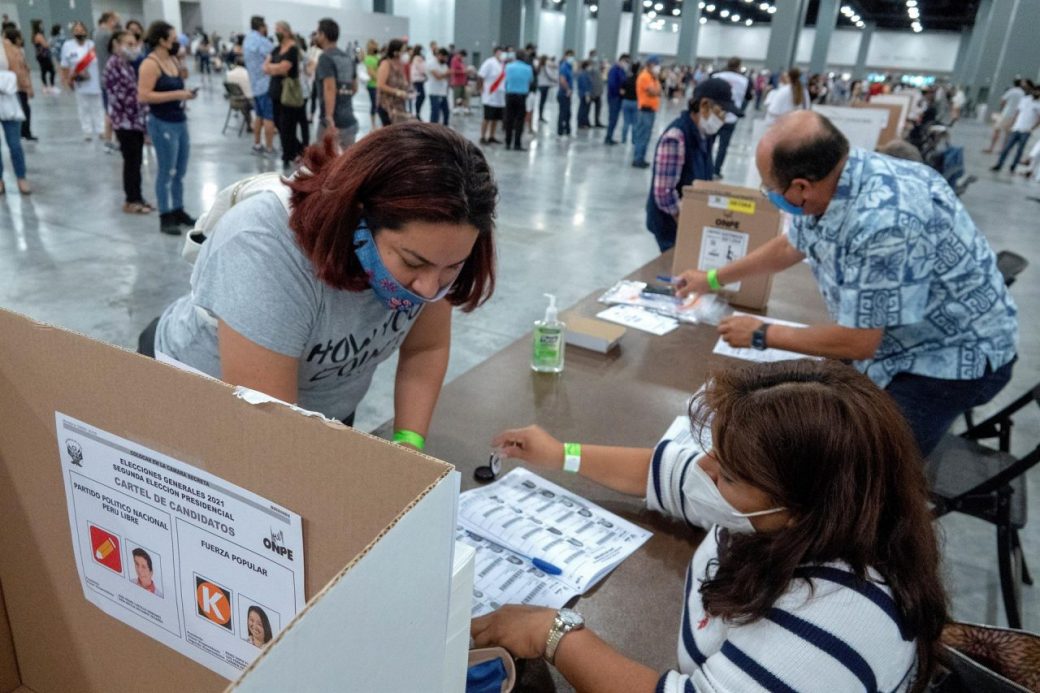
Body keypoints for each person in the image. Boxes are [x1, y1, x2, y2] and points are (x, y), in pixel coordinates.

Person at [475, 359, 949, 693]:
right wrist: (562, 455)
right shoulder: (793, 507)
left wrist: (553, 633)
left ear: (801, 502)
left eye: (728, 472)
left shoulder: (842, 617)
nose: (704, 467)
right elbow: (663, 472)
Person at [675, 111, 1019, 456]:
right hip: (896, 341)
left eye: (770, 189)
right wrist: (712, 278)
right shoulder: (838, 178)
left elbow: (859, 342)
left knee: (869, 466)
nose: (769, 194)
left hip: (950, 359)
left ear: (801, 188)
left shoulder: (885, 222)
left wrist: (761, 333)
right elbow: (790, 244)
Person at [147, 123, 498, 437]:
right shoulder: (264, 244)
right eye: (412, 262)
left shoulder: (439, 248)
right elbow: (270, 428)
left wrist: (408, 446)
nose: (428, 288)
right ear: (360, 217)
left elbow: (426, 349)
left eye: (453, 267)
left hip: (321, 416)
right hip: (204, 405)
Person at [646, 79, 737, 252]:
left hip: (691, 218)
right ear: (704, 105)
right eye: (722, 111)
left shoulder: (704, 133)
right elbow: (663, 194)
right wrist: (687, 225)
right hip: (671, 224)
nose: (723, 119)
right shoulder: (676, 137)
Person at [138, 21, 197, 236]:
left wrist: (185, 89)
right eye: (173, 39)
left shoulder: (172, 59)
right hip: (162, 122)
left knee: (180, 170)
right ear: (162, 40)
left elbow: (178, 83)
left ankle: (178, 209)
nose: (176, 42)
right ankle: (165, 214)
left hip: (179, 121)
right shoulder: (150, 64)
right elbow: (143, 95)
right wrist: (177, 95)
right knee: (166, 171)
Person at [103, 30, 152, 214]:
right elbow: (124, 96)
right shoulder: (114, 66)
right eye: (129, 44)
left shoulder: (127, 64)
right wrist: (147, 99)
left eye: (135, 44)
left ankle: (138, 197)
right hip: (124, 122)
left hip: (135, 121)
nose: (134, 48)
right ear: (117, 44)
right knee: (131, 162)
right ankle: (131, 199)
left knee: (137, 161)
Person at [312, 18, 357, 151]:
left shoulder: (325, 58)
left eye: (317, 33)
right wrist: (344, 98)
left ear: (323, 35)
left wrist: (329, 117)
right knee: (349, 162)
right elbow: (354, 87)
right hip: (349, 119)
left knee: (322, 162)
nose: (316, 37)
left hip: (332, 122)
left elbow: (329, 87)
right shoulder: (347, 57)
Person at [264, 21, 305, 168]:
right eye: (275, 30)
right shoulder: (276, 49)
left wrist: (273, 67)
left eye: (279, 30)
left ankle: (289, 154)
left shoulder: (293, 49)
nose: (276, 33)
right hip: (275, 91)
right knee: (278, 124)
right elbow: (265, 67)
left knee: (287, 125)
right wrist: (275, 67)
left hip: (288, 93)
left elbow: (285, 69)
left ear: (287, 31)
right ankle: (297, 150)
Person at [60, 21, 105, 142]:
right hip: (79, 81)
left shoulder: (92, 45)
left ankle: (101, 130)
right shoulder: (67, 46)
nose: (79, 32)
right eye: (76, 30)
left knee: (98, 106)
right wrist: (66, 79)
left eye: (81, 30)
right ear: (73, 32)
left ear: (86, 31)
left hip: (95, 80)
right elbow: (64, 64)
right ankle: (87, 131)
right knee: (83, 107)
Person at [709, 57, 748, 179]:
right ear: (739, 65)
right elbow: (747, 97)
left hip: (714, 115)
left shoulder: (716, 76)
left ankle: (707, 166)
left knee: (709, 143)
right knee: (723, 146)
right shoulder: (744, 80)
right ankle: (716, 169)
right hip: (731, 116)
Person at [0, 35, 29, 195]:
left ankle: (21, 177)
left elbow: (19, 68)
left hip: (9, 98)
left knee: (15, 144)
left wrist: (25, 86)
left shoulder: (7, 45)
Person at [243, 16, 275, 156]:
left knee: (259, 116)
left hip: (254, 85)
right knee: (269, 117)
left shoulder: (247, 40)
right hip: (266, 84)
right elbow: (275, 55)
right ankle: (269, 148)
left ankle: (257, 145)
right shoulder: (262, 41)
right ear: (262, 27)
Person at [990, 83, 1039, 174]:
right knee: (1006, 148)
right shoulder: (1025, 100)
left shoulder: (1038, 104)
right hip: (1017, 128)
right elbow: (1017, 112)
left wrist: (1032, 128)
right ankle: (999, 164)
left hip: (1026, 131)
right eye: (1035, 90)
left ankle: (1013, 167)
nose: (1036, 92)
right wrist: (1013, 124)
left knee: (1019, 150)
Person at [93, 10, 121, 152]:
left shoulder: (97, 33)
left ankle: (110, 139)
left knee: (108, 110)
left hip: (103, 77)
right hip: (112, 78)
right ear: (110, 19)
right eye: (116, 20)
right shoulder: (107, 35)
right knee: (112, 111)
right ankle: (109, 140)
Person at [2, 28, 34, 142]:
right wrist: (26, 86)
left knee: (23, 108)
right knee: (23, 109)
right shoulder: (14, 50)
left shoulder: (14, 50)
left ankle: (23, 132)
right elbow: (19, 70)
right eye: (19, 37)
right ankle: (25, 132)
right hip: (17, 86)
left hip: (14, 85)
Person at [632, 55, 661, 168]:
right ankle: (638, 159)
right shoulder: (644, 77)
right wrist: (656, 91)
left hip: (651, 110)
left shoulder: (653, 77)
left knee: (646, 136)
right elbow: (653, 92)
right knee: (642, 135)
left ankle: (641, 158)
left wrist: (656, 90)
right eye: (656, 64)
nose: (658, 67)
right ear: (650, 64)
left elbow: (659, 91)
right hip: (645, 110)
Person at [984, 79, 1025, 154]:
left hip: (1006, 113)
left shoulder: (1011, 91)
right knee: (1007, 134)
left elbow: (1002, 101)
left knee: (997, 130)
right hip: (1015, 115)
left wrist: (1002, 108)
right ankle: (1003, 150)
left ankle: (991, 148)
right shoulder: (1022, 93)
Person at [376, 38, 411, 126]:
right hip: (387, 105)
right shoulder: (386, 64)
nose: (404, 53)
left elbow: (403, 81)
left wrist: (407, 89)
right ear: (395, 52)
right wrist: (396, 92)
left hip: (399, 105)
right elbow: (380, 85)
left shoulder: (401, 64)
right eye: (402, 51)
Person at [503, 50, 533, 151]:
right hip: (522, 96)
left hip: (510, 95)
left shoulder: (508, 66)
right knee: (520, 121)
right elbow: (530, 80)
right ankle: (517, 144)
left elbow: (506, 79)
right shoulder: (528, 68)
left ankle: (507, 142)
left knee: (509, 119)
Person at [477, 46, 506, 144]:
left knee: (496, 118)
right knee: (487, 117)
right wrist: (480, 88)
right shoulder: (489, 62)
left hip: (500, 96)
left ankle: (492, 136)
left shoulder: (503, 64)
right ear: (495, 52)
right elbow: (481, 75)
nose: (501, 54)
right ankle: (483, 136)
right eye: (499, 52)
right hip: (490, 94)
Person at [604, 53, 628, 145]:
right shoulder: (614, 70)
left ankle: (610, 136)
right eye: (626, 62)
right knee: (613, 118)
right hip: (614, 97)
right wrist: (619, 91)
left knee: (615, 118)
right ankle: (608, 137)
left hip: (619, 97)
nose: (626, 64)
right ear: (621, 60)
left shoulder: (622, 70)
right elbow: (612, 83)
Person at [426, 47, 450, 126]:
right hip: (434, 93)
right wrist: (446, 74)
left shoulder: (444, 65)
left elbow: (446, 75)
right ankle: (432, 131)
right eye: (444, 57)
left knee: (446, 112)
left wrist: (446, 74)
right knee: (435, 114)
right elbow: (438, 76)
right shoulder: (431, 63)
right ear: (439, 55)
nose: (446, 59)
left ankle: (445, 131)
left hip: (443, 93)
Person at [32, 23, 56, 94]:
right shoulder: (39, 35)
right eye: (40, 25)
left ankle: (46, 87)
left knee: (44, 71)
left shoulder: (36, 35)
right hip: (43, 56)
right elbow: (45, 45)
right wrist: (50, 44)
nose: (42, 27)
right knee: (51, 71)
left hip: (41, 56)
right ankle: (50, 86)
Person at [619, 60, 639, 145]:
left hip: (626, 101)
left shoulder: (626, 79)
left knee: (626, 122)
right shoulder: (639, 81)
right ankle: (634, 140)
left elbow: (621, 92)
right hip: (636, 102)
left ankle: (623, 140)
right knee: (635, 123)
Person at [557, 50, 575, 138]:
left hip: (568, 93)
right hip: (564, 93)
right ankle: (560, 130)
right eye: (570, 56)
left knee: (568, 113)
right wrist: (568, 89)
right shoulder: (564, 67)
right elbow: (562, 80)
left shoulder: (570, 67)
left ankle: (567, 129)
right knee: (563, 113)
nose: (571, 58)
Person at [363, 39, 380, 130]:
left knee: (378, 105)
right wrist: (380, 79)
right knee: (374, 104)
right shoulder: (368, 58)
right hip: (372, 85)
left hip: (378, 85)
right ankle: (373, 124)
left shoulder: (377, 57)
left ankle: (376, 123)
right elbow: (370, 72)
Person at [450, 48, 469, 115]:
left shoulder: (461, 61)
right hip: (456, 81)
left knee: (462, 96)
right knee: (457, 96)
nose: (463, 57)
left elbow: (464, 69)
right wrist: (463, 71)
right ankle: (455, 109)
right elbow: (453, 71)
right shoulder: (454, 60)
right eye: (462, 56)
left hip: (463, 81)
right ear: (459, 54)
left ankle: (461, 108)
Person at [409, 45, 426, 120]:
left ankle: (417, 112)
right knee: (421, 96)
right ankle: (417, 113)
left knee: (420, 96)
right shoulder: (418, 58)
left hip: (419, 80)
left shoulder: (416, 58)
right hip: (417, 79)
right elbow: (422, 69)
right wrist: (426, 73)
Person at [536, 55, 554, 124]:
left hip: (540, 85)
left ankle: (540, 115)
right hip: (545, 85)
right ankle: (540, 116)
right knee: (542, 101)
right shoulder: (545, 67)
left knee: (541, 101)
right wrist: (555, 80)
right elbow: (549, 75)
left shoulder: (539, 66)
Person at [588, 56, 604, 128]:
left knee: (598, 108)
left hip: (598, 93)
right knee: (587, 108)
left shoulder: (599, 71)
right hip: (592, 93)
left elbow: (600, 82)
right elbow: (591, 81)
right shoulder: (591, 70)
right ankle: (586, 121)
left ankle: (597, 121)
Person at [576, 60, 592, 129]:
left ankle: (585, 122)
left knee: (585, 109)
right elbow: (584, 85)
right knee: (583, 109)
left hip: (585, 93)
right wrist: (587, 94)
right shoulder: (583, 74)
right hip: (584, 94)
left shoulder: (586, 73)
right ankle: (581, 123)